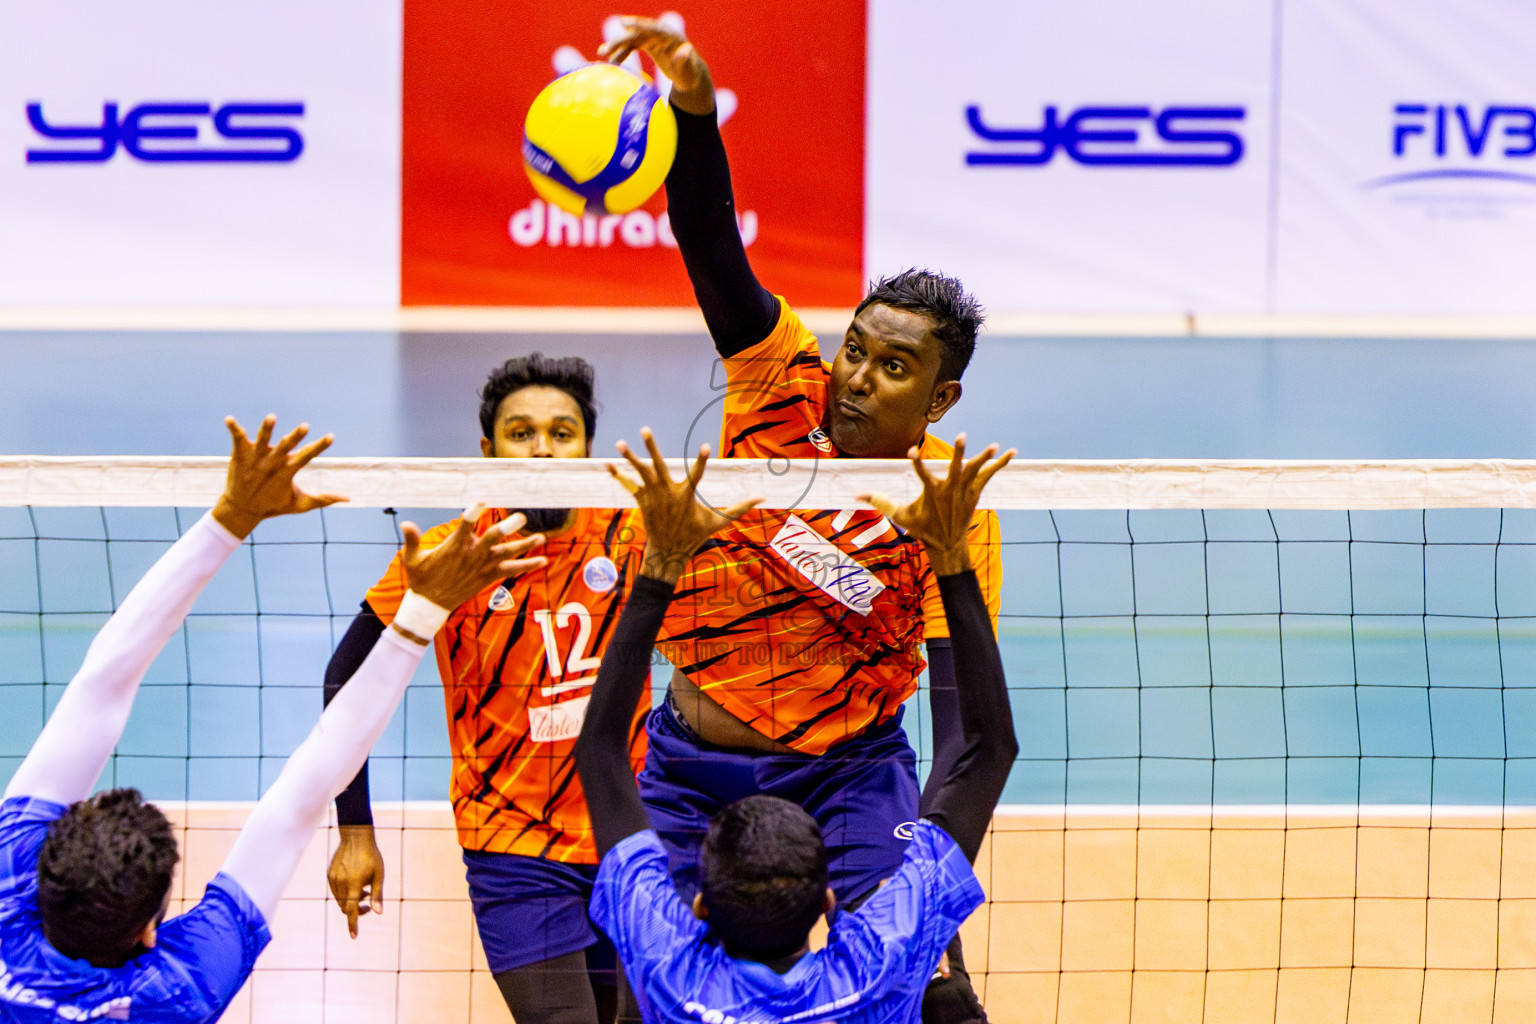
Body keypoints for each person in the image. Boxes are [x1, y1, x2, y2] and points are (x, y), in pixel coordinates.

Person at [599, 19, 1004, 1021]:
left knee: (928, 985)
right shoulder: (780, 377)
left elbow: (962, 724)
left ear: (940, 399)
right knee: (628, 966)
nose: (857, 378)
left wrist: (932, 892)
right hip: (693, 755)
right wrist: (694, 106)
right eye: (857, 348)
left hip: (852, 770)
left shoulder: (945, 504)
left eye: (894, 367)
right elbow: (710, 245)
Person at [0, 415, 544, 1023]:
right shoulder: (176, 991)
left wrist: (417, 611)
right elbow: (298, 792)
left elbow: (100, 686)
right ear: (150, 933)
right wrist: (426, 610)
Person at [573, 429, 1017, 1024]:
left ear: (697, 907)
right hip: (847, 770)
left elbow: (601, 752)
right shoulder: (877, 969)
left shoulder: (668, 975)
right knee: (947, 999)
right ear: (828, 903)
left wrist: (659, 565)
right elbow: (989, 750)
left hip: (824, 761)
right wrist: (951, 556)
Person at [322, 355, 649, 1024]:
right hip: (513, 844)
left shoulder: (634, 536)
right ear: (487, 449)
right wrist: (354, 830)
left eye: (562, 433)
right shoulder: (452, 554)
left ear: (587, 448)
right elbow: (344, 678)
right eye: (520, 432)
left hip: (630, 831)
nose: (542, 450)